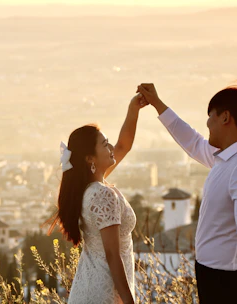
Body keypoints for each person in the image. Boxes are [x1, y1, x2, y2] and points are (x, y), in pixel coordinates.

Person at [137, 82, 237, 304]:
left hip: (233, 283)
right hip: (216, 277)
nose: (207, 123)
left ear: (225, 117)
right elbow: (193, 142)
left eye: (211, 116)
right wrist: (158, 104)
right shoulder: (229, 156)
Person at [48, 93, 148, 304]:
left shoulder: (86, 189)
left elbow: (123, 146)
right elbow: (112, 255)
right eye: (104, 144)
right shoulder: (103, 194)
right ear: (90, 158)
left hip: (88, 288)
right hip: (105, 293)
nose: (110, 147)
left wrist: (133, 109)